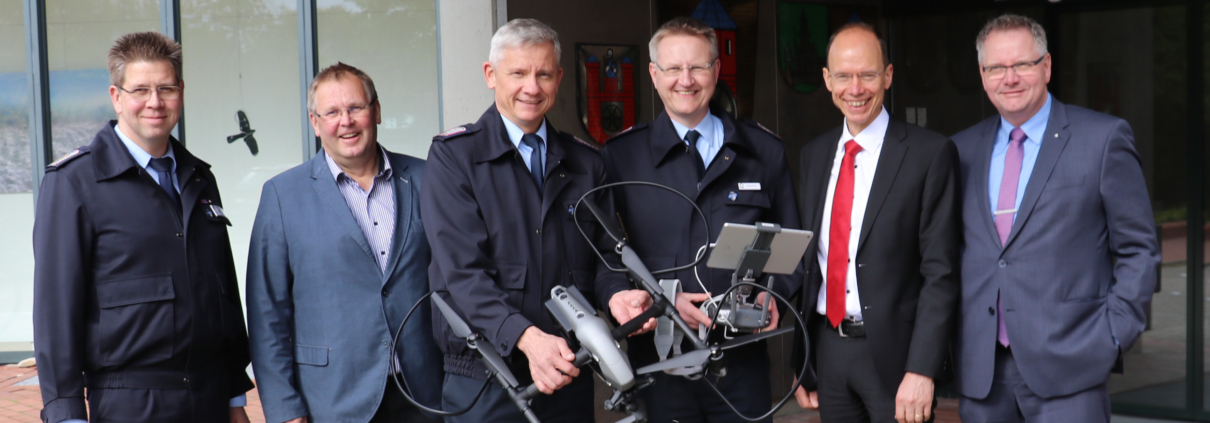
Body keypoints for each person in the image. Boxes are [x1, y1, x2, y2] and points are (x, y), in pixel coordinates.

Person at [421, 19, 650, 423]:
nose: (532, 87)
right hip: (486, 378)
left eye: (543, 74)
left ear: (559, 78)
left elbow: (605, 258)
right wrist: (526, 338)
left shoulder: (586, 162)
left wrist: (617, 296)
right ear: (491, 75)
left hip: (568, 370)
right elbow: (462, 275)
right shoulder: (454, 158)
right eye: (518, 73)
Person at [32, 31, 253, 423]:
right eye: (140, 90)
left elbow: (223, 293)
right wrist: (65, 413)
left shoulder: (199, 177)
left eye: (166, 88)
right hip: (130, 403)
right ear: (117, 97)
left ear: (181, 92)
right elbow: (55, 310)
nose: (155, 102)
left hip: (211, 397)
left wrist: (235, 397)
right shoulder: (74, 183)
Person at [952, 14, 1159, 422]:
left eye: (1022, 65)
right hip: (983, 373)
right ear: (982, 74)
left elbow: (1139, 248)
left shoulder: (1102, 139)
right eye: (996, 67)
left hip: (1072, 367)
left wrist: (1114, 336)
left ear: (1046, 66)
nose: (1009, 78)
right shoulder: (959, 151)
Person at [602, 16, 804, 423]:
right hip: (658, 363)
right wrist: (657, 302)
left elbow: (793, 247)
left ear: (715, 71)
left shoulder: (762, 150)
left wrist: (772, 295)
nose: (686, 80)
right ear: (654, 75)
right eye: (673, 68)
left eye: (697, 67)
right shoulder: (622, 156)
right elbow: (605, 257)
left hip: (742, 360)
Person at [245, 63, 443, 423]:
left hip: (424, 395)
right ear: (315, 122)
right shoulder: (282, 195)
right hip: (331, 400)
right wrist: (285, 409)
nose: (345, 121)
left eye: (355, 108)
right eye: (332, 112)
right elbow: (266, 312)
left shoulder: (427, 178)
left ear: (376, 111)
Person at [790, 23, 961, 423]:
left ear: (887, 75)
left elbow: (942, 271)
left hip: (897, 358)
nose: (856, 88)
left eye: (867, 74)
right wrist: (803, 361)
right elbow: (810, 261)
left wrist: (922, 369)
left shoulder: (929, 153)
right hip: (828, 351)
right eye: (844, 76)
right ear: (827, 80)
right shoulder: (814, 156)